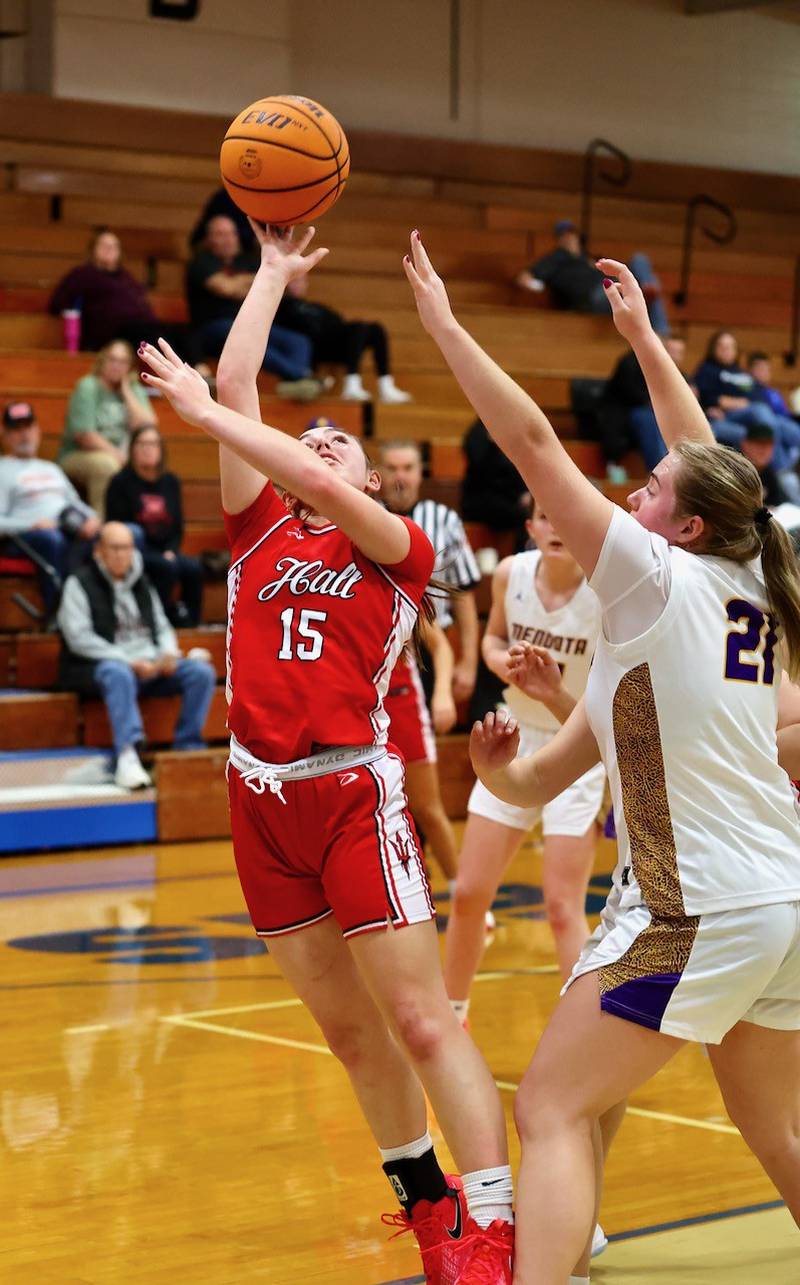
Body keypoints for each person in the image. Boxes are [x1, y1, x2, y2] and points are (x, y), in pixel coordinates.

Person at [405, 231, 800, 1284]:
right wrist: (640, 337)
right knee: (776, 1135)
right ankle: (564, 1237)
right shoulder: (747, 574)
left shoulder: (654, 580)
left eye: (646, 490)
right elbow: (705, 456)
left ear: (683, 523)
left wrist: (443, 327)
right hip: (779, 901)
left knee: (547, 1103)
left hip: (700, 900)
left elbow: (533, 442)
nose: (629, 496)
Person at [138, 224, 515, 1283]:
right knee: (350, 1036)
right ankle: (430, 1210)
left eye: (337, 441)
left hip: (353, 792)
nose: (317, 445)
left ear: (369, 474)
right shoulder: (259, 532)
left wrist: (214, 415)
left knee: (418, 1018)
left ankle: (493, 1225)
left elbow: (239, 413)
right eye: (302, 439)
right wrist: (268, 274)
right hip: (256, 796)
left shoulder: (398, 549)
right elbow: (238, 379)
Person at [445, 500, 605, 1016]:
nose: (557, 523)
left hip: (576, 742)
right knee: (469, 893)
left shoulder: (608, 590)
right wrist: (502, 662)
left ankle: (578, 1029)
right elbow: (493, 639)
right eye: (545, 515)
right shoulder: (511, 574)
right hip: (513, 738)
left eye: (563, 514)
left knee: (562, 906)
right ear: (532, 525)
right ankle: (453, 1014)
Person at [57, 522, 216, 790]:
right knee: (116, 672)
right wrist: (128, 661)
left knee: (200, 672)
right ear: (99, 551)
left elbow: (162, 625)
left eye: (127, 548)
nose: (121, 554)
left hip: (149, 665)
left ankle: (187, 747)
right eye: (115, 548)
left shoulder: (142, 581)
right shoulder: (79, 583)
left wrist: (166, 654)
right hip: (100, 667)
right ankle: (128, 754)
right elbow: (79, 638)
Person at [379, 439, 482, 706]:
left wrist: (469, 663)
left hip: (431, 648)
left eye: (407, 467)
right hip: (376, 643)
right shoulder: (365, 514)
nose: (399, 476)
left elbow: (463, 594)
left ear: (420, 472)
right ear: (377, 473)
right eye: (392, 468)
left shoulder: (444, 519)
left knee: (424, 735)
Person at [185, 216, 324, 401]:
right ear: (209, 239)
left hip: (250, 323)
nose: (227, 239)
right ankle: (301, 376)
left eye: (231, 233)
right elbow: (227, 288)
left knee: (298, 341)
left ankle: (293, 383)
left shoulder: (247, 260)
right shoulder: (201, 263)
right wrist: (259, 278)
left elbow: (279, 287)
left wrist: (246, 281)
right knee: (245, 337)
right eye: (220, 234)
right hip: (212, 329)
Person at [384, 616, 463, 899]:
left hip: (401, 703)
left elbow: (441, 647)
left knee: (427, 808)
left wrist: (442, 694)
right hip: (353, 707)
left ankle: (460, 891)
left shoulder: (401, 587)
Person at [0, 400, 99, 614]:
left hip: (67, 529)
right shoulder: (3, 470)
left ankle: (99, 613)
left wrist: (92, 518)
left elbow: (76, 504)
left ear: (37, 431)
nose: (24, 434)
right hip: (28, 539)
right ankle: (61, 614)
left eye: (28, 427)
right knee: (52, 539)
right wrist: (31, 525)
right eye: (16, 429)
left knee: (107, 537)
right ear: (5, 435)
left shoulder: (51, 468)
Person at [105, 425, 203, 627]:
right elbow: (117, 526)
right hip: (135, 550)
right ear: (132, 449)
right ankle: (159, 619)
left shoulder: (170, 482)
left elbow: (177, 526)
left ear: (161, 449)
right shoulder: (120, 482)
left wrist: (170, 550)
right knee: (165, 567)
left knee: (194, 567)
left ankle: (191, 623)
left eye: (152, 444)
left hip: (165, 550)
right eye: (141, 444)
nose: (147, 449)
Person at [695, 331, 800, 501]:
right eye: (722, 346)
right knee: (757, 423)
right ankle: (781, 470)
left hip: (748, 417)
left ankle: (786, 467)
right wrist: (729, 403)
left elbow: (758, 396)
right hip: (721, 419)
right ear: (713, 348)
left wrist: (738, 403)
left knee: (791, 428)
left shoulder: (741, 373)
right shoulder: (707, 370)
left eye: (730, 347)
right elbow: (703, 397)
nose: (726, 350)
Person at [515, 220, 669, 335]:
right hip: (589, 300)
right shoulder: (554, 258)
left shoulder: (587, 258)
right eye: (564, 235)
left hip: (607, 288)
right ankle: (657, 323)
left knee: (639, 260)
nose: (568, 237)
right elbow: (524, 277)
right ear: (559, 239)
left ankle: (645, 294)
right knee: (628, 287)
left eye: (571, 233)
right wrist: (538, 287)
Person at [276, 274, 411, 403]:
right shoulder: (283, 306)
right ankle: (352, 382)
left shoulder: (315, 307)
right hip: (315, 348)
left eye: (303, 281)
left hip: (335, 343)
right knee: (358, 328)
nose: (299, 285)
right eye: (295, 281)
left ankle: (385, 385)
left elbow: (337, 320)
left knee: (376, 329)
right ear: (287, 284)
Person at [58, 340, 156, 515]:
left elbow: (148, 426)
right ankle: (103, 529)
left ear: (129, 367)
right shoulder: (88, 386)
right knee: (106, 465)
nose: (117, 366)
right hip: (78, 455)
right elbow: (85, 436)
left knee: (151, 460)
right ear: (102, 361)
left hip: (121, 456)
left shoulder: (133, 389)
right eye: (112, 360)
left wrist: (126, 391)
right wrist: (119, 457)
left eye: (123, 362)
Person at [48, 228, 159, 353]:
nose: (109, 249)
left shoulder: (127, 277)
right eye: (104, 245)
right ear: (93, 249)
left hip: (139, 329)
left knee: (173, 333)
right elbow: (57, 304)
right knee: (153, 335)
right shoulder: (82, 274)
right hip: (107, 334)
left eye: (114, 246)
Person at [598, 336, 689, 483]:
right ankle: (658, 469)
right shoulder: (629, 362)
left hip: (656, 411)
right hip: (628, 412)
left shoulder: (672, 370)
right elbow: (630, 393)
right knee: (650, 421)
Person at [461, 418, 530, 549]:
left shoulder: (507, 431)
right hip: (480, 500)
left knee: (527, 512)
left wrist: (523, 492)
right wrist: (491, 444)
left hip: (505, 499)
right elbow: (481, 469)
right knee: (523, 517)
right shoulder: (477, 434)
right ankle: (520, 555)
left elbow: (515, 469)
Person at [739, 422, 792, 509]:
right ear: (745, 444)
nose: (764, 450)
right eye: (759, 444)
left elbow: (781, 505)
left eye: (769, 445)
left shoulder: (769, 473)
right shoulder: (734, 470)